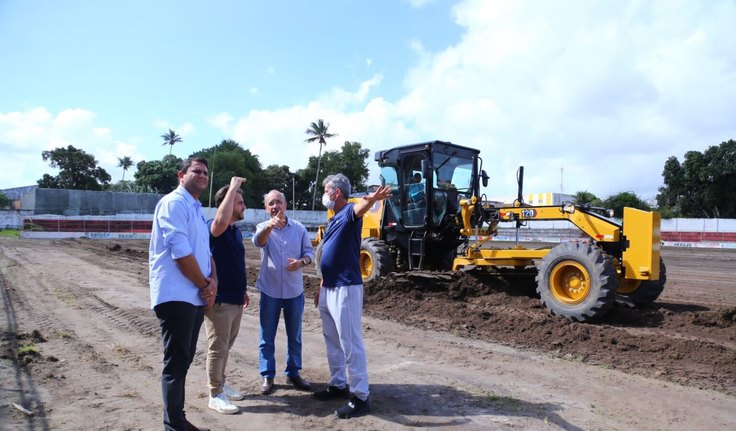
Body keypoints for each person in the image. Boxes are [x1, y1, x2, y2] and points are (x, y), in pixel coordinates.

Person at [312, 173, 391, 419]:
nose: (323, 194)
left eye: (326, 189)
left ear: (336, 193)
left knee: (350, 342)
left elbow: (360, 208)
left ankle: (360, 396)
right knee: (332, 339)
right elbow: (329, 254)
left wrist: (372, 199)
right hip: (330, 286)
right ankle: (338, 384)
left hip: (346, 288)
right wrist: (322, 284)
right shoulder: (334, 219)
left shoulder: (347, 212)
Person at [149, 157, 217, 431]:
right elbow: (181, 254)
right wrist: (204, 284)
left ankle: (177, 419)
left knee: (184, 359)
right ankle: (174, 424)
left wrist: (212, 281)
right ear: (181, 175)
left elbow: (205, 251)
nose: (202, 176)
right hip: (177, 295)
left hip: (194, 296)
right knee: (176, 362)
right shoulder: (174, 203)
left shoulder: (196, 208)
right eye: (196, 171)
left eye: (205, 173)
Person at [252, 190, 315, 395]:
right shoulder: (263, 227)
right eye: (270, 203)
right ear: (266, 208)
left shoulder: (298, 229)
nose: (275, 206)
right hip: (270, 290)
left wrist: (301, 262)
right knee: (266, 336)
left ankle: (294, 372)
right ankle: (267, 375)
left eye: (278, 202)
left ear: (285, 205)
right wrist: (270, 226)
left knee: (294, 335)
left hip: (294, 290)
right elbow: (258, 242)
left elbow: (309, 253)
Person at [204, 177, 250, 415]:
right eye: (239, 202)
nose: (243, 206)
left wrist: (243, 290)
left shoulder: (235, 232)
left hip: (235, 298)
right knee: (217, 347)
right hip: (220, 300)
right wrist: (232, 187)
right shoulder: (216, 227)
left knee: (226, 346)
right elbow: (220, 220)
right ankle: (214, 394)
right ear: (228, 203)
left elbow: (236, 264)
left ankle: (221, 382)